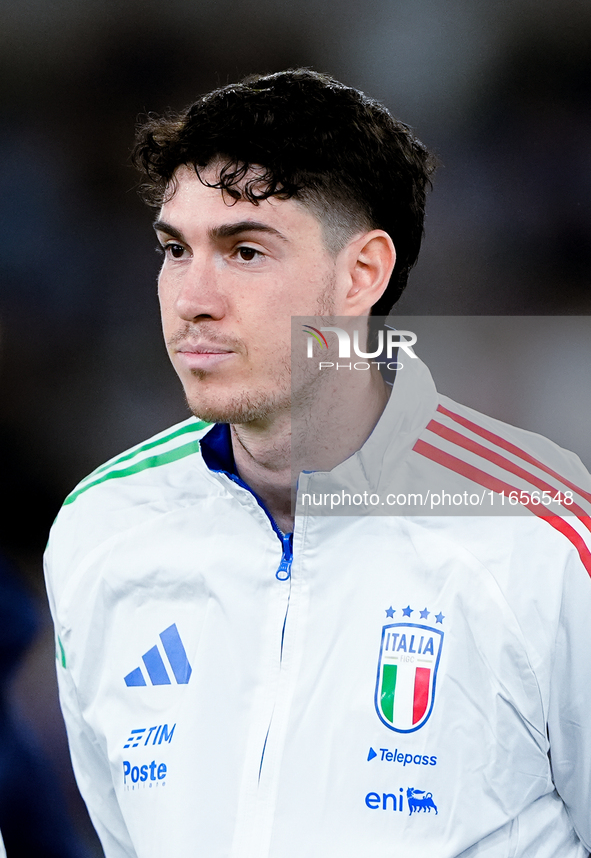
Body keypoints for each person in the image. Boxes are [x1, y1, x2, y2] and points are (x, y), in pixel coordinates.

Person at [44, 69, 591, 858]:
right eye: (174, 248)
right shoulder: (99, 529)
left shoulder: (542, 531)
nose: (190, 296)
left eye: (244, 250)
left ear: (360, 273)